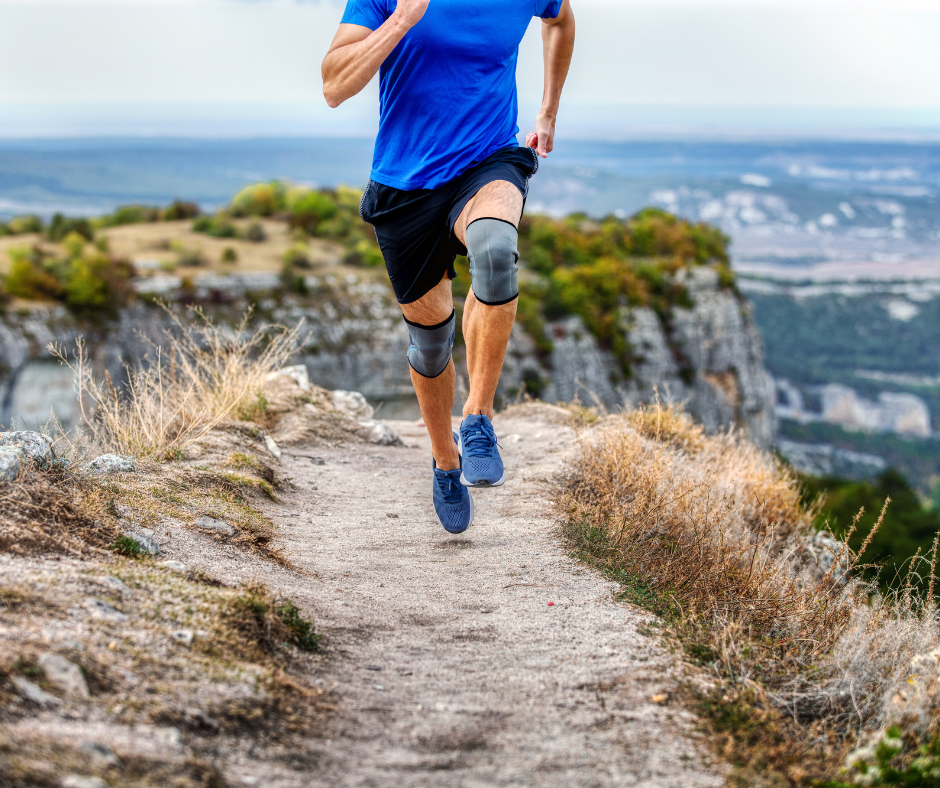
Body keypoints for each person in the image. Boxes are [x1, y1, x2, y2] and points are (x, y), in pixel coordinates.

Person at [322, 0, 575, 534]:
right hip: (404, 186)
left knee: (494, 253)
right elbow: (334, 86)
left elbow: (561, 19)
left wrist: (549, 108)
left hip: (488, 159)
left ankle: (479, 416)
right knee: (431, 343)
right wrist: (402, 19)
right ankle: (444, 460)